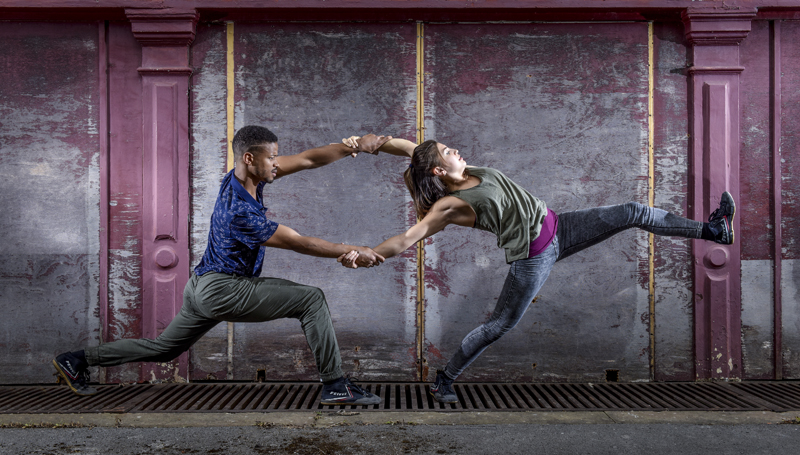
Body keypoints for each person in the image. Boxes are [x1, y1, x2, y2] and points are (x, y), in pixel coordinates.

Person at [339, 138, 735, 404]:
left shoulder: (462, 168)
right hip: (533, 257)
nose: (454, 148)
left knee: (633, 211)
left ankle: (713, 230)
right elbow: (410, 236)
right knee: (499, 325)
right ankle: (446, 379)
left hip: (560, 226)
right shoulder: (448, 205)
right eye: (447, 151)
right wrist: (370, 253)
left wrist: (375, 142)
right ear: (439, 172)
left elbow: (414, 149)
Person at [53, 125, 389, 406]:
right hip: (223, 289)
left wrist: (354, 146)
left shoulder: (243, 178)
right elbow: (298, 242)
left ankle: (77, 359)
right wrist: (353, 250)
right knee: (311, 299)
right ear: (250, 158)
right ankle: (335, 385)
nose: (276, 164)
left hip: (201, 285)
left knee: (162, 349)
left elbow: (306, 159)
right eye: (271, 157)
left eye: (275, 157)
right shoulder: (239, 212)